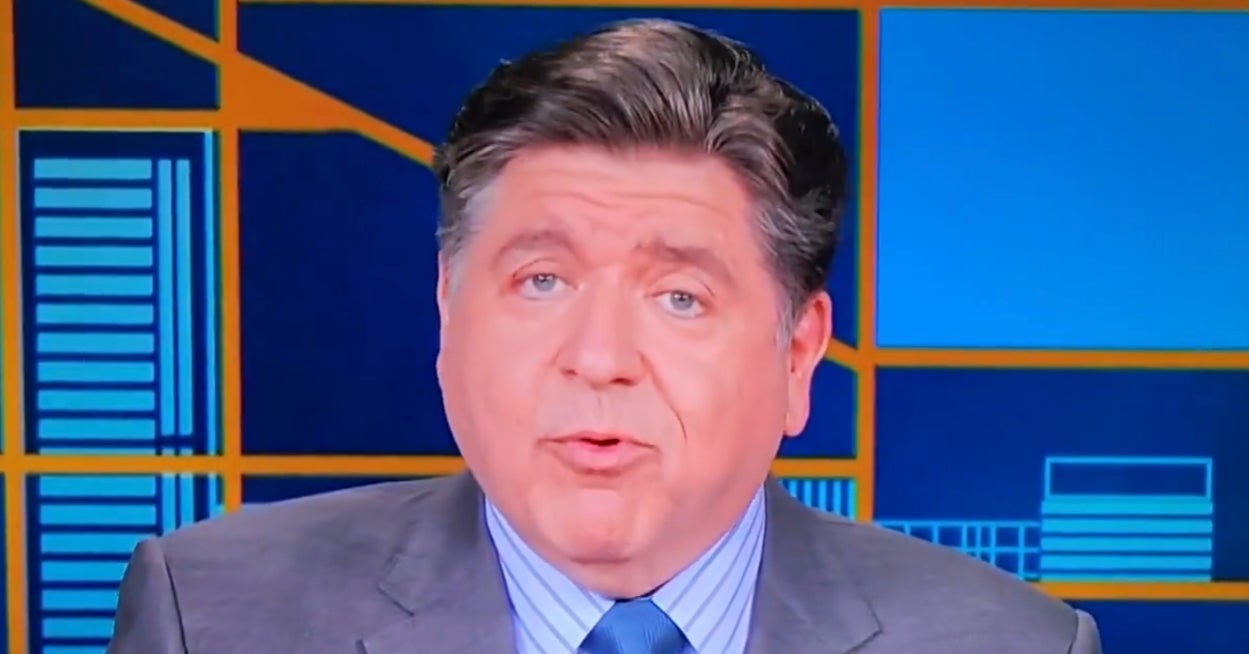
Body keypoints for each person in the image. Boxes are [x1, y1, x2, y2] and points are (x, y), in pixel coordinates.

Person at [106, 18, 1102, 654]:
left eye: (679, 298)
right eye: (542, 281)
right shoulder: (210, 616)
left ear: (798, 355)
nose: (598, 358)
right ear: (448, 315)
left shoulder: (1008, 645)